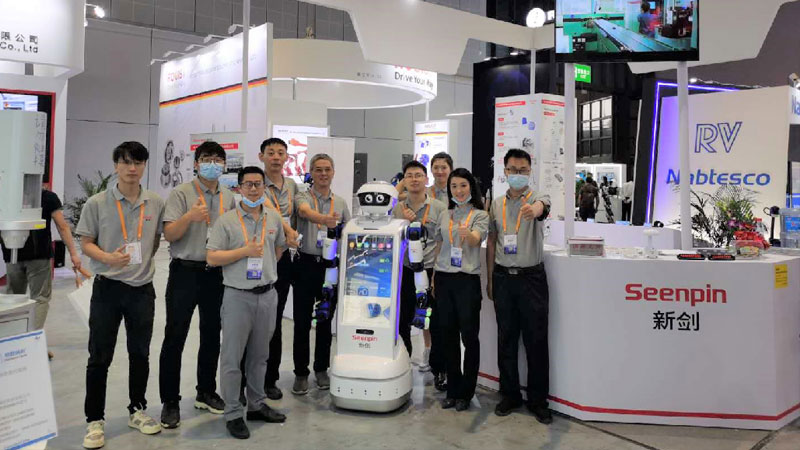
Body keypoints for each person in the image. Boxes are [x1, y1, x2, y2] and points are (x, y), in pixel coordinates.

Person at [76, 142, 165, 449]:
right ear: (116, 165)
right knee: (99, 356)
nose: (132, 168)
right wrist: (108, 258)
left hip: (142, 290)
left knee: (140, 353)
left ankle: (137, 410)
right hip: (108, 288)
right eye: (126, 162)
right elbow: (86, 242)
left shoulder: (155, 202)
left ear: (144, 166)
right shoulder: (97, 203)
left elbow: (155, 241)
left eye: (138, 162)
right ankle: (94, 420)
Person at [157, 141, 235, 429]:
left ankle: (206, 391)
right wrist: (190, 217)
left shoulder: (229, 196)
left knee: (212, 334)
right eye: (206, 159)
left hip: (216, 273)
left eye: (217, 159)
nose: (212, 164)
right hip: (185, 272)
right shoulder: (181, 193)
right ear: (197, 163)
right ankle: (170, 401)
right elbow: (169, 234)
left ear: (224, 164)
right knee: (175, 336)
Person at [207, 166, 287, 439]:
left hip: (267, 295)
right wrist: (245, 252)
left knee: (260, 355)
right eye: (248, 184)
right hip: (237, 296)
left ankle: (256, 404)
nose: (253, 189)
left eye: (258, 184)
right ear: (239, 188)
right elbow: (212, 257)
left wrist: (265, 269)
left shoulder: (273, 217)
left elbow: (278, 248)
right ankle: (232, 412)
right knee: (232, 358)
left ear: (264, 187)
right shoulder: (226, 221)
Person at [486, 148, 553, 424]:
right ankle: (510, 395)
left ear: (529, 171)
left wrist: (534, 210)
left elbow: (543, 208)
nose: (517, 174)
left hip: (531, 279)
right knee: (506, 339)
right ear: (505, 171)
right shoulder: (496, 204)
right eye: (512, 170)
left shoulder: (536, 197)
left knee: (536, 341)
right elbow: (492, 241)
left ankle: (538, 401)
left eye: (523, 170)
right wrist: (490, 279)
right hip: (503, 278)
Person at [292, 153, 351, 395]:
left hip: (330, 268)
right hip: (305, 265)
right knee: (302, 322)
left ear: (333, 172)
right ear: (311, 173)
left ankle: (321, 369)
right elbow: (305, 212)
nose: (323, 174)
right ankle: (301, 373)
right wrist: (325, 220)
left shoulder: (341, 203)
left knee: (325, 320)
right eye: (318, 169)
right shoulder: (302, 196)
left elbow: (347, 234)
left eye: (327, 169)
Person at [432, 168, 489, 412]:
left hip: (467, 280)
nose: (458, 190)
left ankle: (467, 391)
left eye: (463, 185)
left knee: (469, 336)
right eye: (454, 186)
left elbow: (477, 239)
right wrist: (434, 276)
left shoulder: (480, 215)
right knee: (448, 336)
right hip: (444, 278)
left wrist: (469, 234)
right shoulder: (445, 214)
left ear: (471, 187)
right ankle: (453, 390)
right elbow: (439, 244)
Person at [1, 187, 82, 355]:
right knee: (40, 299)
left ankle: (12, 347)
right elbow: (62, 226)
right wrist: (74, 253)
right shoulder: (47, 197)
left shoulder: (6, 195)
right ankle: (33, 344)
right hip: (38, 256)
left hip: (12, 254)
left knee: (13, 299)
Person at [391, 160, 447, 388]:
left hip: (430, 269)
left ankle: (439, 370)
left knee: (435, 322)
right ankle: (404, 366)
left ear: (426, 179)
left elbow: (442, 241)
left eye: (418, 175)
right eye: (409, 175)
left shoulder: (439, 208)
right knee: (402, 321)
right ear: (404, 180)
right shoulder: (397, 209)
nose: (414, 179)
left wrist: (436, 275)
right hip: (405, 271)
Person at [256, 137, 301, 400]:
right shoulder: (255, 183)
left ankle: (270, 377)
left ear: (286, 157)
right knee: (257, 321)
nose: (275, 157)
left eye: (280, 153)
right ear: (261, 156)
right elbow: (270, 211)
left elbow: (299, 211)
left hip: (284, 257)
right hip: (260, 256)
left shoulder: (292, 185)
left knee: (276, 318)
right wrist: (288, 231)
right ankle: (250, 378)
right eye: (270, 152)